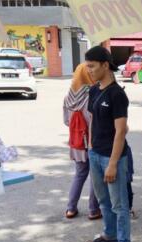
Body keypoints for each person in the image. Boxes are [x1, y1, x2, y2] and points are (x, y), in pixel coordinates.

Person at [84, 46, 132, 242]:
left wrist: (112, 163)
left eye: (92, 66)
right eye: (87, 66)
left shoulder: (117, 94)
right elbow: (93, 120)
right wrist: (90, 147)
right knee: (103, 199)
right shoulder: (94, 90)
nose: (89, 70)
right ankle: (109, 234)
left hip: (112, 157)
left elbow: (121, 130)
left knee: (119, 203)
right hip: (95, 153)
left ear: (105, 65)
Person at [63, 63, 101, 220]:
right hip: (93, 142)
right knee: (95, 175)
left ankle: (71, 208)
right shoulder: (92, 95)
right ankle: (93, 209)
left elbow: (66, 121)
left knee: (79, 174)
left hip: (77, 143)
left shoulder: (68, 97)